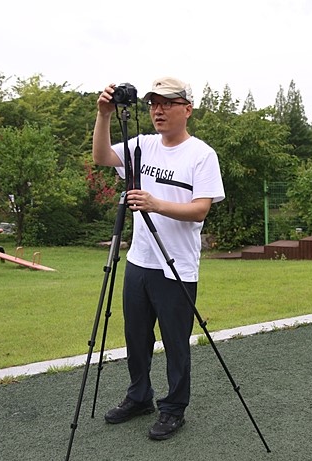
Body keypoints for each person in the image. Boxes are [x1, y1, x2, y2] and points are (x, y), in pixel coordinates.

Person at [92, 76, 225, 440]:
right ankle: (139, 397)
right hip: (139, 261)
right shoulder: (143, 146)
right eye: (153, 104)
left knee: (176, 341)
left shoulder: (201, 154)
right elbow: (101, 157)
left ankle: (173, 408)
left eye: (167, 103)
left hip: (177, 266)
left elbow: (200, 210)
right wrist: (104, 115)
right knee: (136, 337)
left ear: (187, 108)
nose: (158, 110)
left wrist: (155, 204)